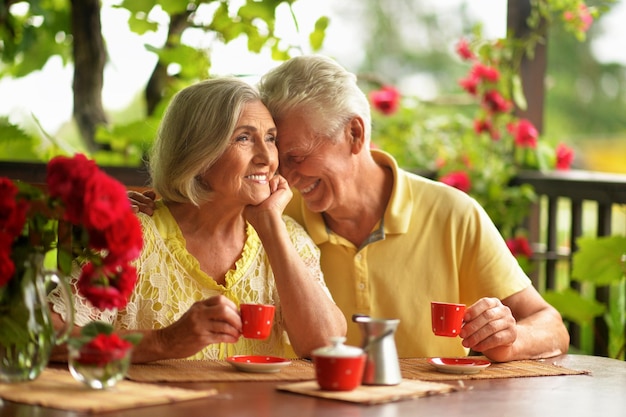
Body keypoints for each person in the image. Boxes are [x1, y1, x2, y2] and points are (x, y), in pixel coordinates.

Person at [131, 56, 570, 362]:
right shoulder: (278, 215)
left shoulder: (453, 213)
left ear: (355, 136)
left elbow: (550, 325)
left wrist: (510, 338)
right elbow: (204, 205)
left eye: (296, 154)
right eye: (274, 148)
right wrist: (151, 202)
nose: (282, 169)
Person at [50, 77, 346, 363]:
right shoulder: (133, 236)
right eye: (243, 138)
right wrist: (163, 342)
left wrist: (271, 226)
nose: (267, 157)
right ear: (199, 155)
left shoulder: (289, 238)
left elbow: (323, 346)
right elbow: (48, 337)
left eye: (270, 138)